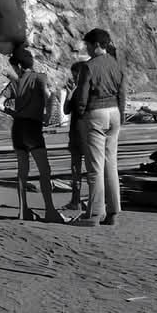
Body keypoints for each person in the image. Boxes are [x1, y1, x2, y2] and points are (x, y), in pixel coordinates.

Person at [0, 48, 65, 224]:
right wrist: (47, 116)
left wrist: (12, 112)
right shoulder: (40, 78)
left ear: (19, 65)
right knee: (44, 170)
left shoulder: (14, 82)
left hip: (18, 128)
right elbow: (51, 97)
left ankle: (23, 210)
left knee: (22, 171)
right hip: (33, 127)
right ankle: (50, 210)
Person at [71, 28, 126, 227]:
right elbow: (122, 93)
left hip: (96, 114)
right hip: (115, 114)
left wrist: (80, 112)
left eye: (87, 45)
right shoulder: (116, 64)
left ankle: (94, 214)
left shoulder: (89, 66)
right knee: (111, 165)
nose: (86, 49)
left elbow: (83, 95)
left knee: (95, 167)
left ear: (95, 45)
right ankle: (113, 213)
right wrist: (121, 114)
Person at [63, 61, 88, 212]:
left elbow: (72, 110)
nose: (73, 78)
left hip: (82, 134)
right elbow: (66, 110)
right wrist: (69, 94)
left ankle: (77, 200)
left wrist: (71, 94)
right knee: (78, 170)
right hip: (80, 134)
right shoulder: (82, 90)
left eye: (75, 75)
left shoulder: (82, 91)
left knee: (78, 170)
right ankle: (76, 200)